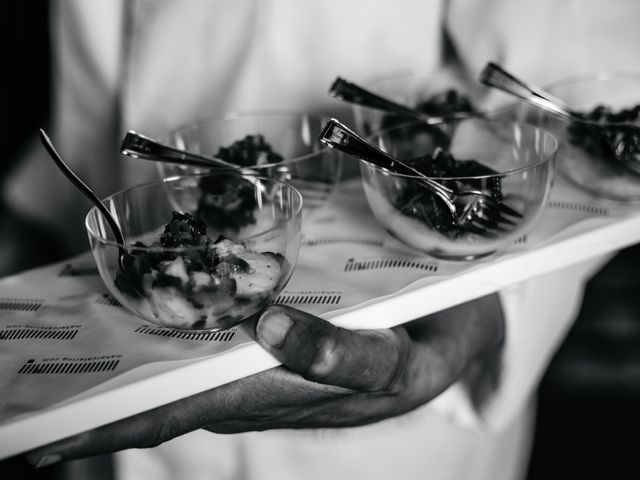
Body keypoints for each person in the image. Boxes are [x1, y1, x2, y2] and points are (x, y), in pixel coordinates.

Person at [4, 1, 640, 479]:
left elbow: (583, 104)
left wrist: (484, 313)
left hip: (387, 387)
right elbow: (92, 98)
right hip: (105, 353)